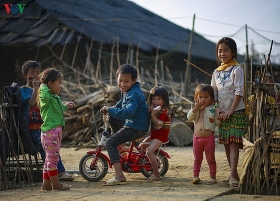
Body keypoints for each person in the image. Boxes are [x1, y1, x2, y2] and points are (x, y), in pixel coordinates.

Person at [20, 60, 74, 184]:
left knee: (52, 151)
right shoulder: (26, 90)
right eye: (32, 72)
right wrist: (36, 88)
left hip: (46, 124)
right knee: (48, 152)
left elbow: (54, 105)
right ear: (25, 75)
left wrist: (64, 105)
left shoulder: (47, 92)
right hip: (34, 126)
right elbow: (32, 102)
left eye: (37, 72)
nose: (35, 75)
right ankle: (57, 176)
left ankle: (54, 175)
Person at [100, 64, 150, 186]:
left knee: (110, 142)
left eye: (126, 81)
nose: (122, 84)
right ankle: (121, 149)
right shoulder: (128, 91)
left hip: (136, 127)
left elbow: (127, 112)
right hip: (134, 124)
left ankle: (119, 176)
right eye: (120, 80)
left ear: (134, 81)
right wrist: (110, 109)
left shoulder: (133, 94)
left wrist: (110, 110)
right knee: (112, 116)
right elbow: (120, 103)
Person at [211, 37, 247, 187]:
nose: (223, 53)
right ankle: (234, 173)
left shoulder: (237, 69)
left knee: (233, 143)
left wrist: (231, 110)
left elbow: (239, 91)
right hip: (222, 113)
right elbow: (214, 93)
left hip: (236, 111)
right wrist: (218, 109)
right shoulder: (216, 72)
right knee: (226, 143)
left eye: (226, 50)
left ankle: (233, 174)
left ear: (233, 52)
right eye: (220, 50)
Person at [38, 68, 75, 191]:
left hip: (54, 132)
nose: (60, 86)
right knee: (53, 159)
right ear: (50, 84)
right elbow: (43, 95)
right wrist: (42, 84)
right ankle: (56, 184)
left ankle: (46, 184)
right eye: (59, 82)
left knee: (49, 159)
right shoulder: (46, 96)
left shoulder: (54, 97)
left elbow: (56, 111)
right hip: (50, 132)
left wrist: (65, 106)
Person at [187, 84, 221, 185]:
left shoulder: (213, 109)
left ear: (211, 99)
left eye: (206, 97)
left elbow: (217, 123)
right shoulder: (195, 109)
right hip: (197, 138)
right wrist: (196, 108)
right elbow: (189, 118)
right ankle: (196, 176)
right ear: (196, 98)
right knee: (197, 158)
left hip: (209, 138)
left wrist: (219, 117)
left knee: (210, 158)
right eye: (200, 97)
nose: (203, 99)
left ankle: (212, 177)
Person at [138, 86, 171, 181]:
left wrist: (152, 114)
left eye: (158, 99)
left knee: (149, 151)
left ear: (164, 100)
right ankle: (146, 164)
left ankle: (156, 174)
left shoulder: (165, 111)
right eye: (153, 99)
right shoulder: (155, 109)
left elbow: (160, 125)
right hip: (154, 135)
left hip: (160, 136)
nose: (155, 101)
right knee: (140, 148)